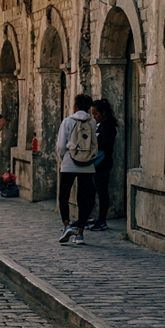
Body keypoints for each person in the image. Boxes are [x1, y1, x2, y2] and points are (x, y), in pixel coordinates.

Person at [57, 93, 98, 245]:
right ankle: (80, 233)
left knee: (64, 196)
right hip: (87, 165)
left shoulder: (67, 121)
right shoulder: (92, 122)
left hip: (69, 163)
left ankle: (66, 226)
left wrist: (63, 159)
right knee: (84, 198)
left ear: (75, 106)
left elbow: (61, 145)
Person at [88, 98, 118, 232]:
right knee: (94, 191)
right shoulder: (99, 125)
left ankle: (102, 220)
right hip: (97, 162)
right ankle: (94, 218)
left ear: (104, 113)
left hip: (103, 162)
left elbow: (104, 146)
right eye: (92, 114)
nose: (94, 117)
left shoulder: (109, 126)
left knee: (102, 192)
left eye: (96, 114)